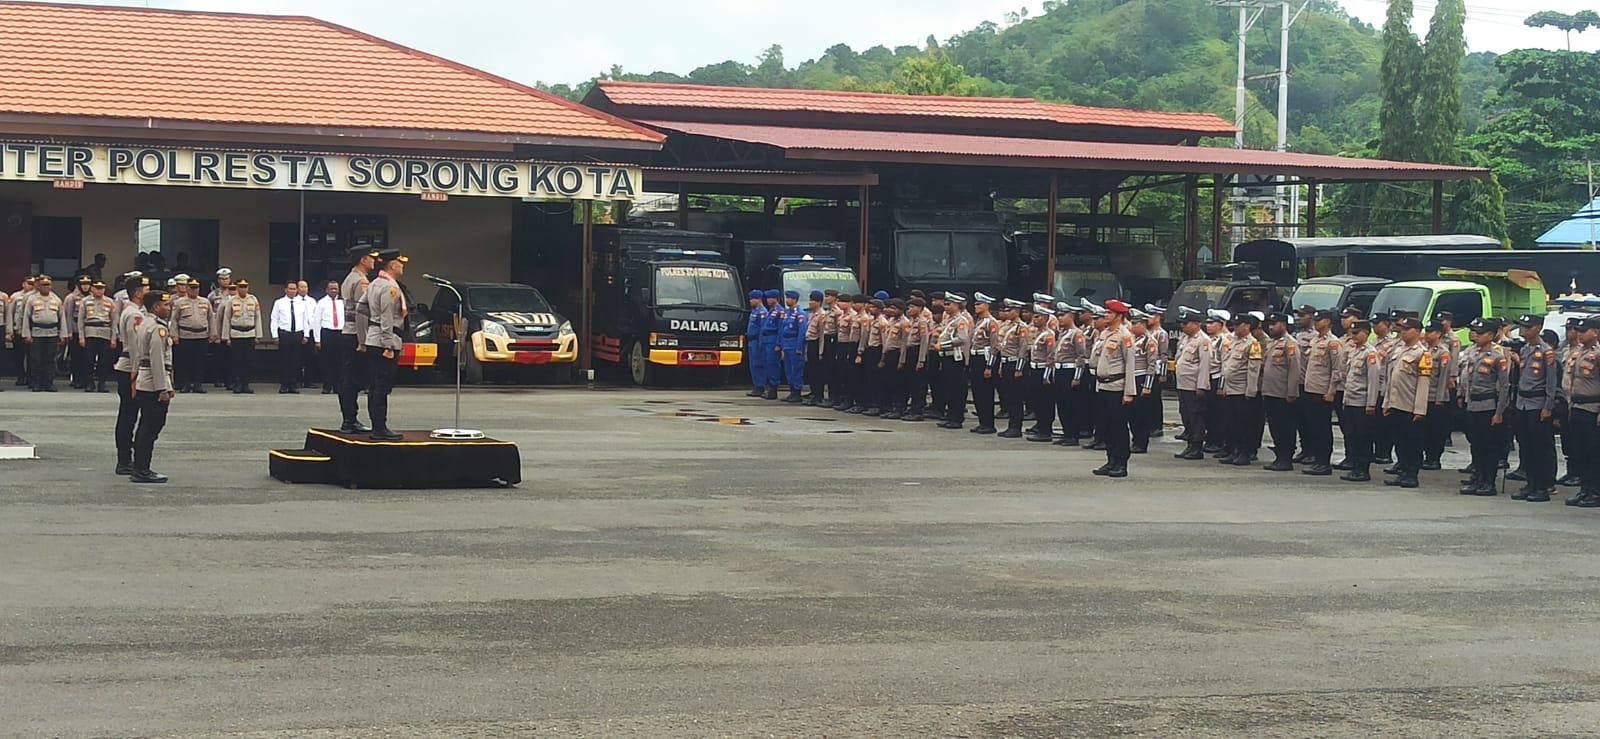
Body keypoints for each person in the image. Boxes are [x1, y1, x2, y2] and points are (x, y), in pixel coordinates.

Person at [1456, 318, 1512, 496]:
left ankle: (1489, 482)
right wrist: (1463, 397)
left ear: (1490, 335)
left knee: (1489, 447)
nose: (1476, 336)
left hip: (1488, 406)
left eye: (1480, 333)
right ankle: (1478, 479)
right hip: (1473, 404)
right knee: (1477, 445)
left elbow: (1504, 387)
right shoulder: (1473, 355)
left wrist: (1499, 412)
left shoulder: (1497, 358)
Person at [1509, 315, 1558, 500]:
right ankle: (1530, 483)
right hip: (1522, 403)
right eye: (1522, 326)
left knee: (1540, 447)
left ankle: (1542, 486)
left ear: (1537, 329)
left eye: (1527, 327)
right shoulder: (1525, 349)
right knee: (1526, 445)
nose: (1523, 330)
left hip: (1538, 403)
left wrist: (1548, 406)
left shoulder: (1546, 352)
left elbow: (1551, 382)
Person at [362, 252, 410, 441]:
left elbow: (361, 307)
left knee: (375, 385)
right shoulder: (390, 287)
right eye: (400, 263)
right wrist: (388, 345)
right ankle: (379, 428)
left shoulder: (374, 283)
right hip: (385, 341)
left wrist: (373, 322)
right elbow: (387, 316)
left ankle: (376, 425)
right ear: (392, 266)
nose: (402, 267)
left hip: (373, 339)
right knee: (382, 385)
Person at [129, 290, 175, 484]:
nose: (168, 308)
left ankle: (139, 466)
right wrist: (162, 388)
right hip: (153, 383)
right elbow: (157, 360)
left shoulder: (145, 323)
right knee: (151, 427)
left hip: (146, 380)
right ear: (156, 307)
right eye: (165, 305)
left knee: (146, 426)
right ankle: (142, 469)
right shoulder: (156, 328)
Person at [1383, 317, 1433, 489]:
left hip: (1410, 405)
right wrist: (1387, 403)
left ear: (1417, 332)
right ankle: (1403, 471)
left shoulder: (1422, 353)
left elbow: (1423, 383)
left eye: (1407, 329)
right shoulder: (1399, 350)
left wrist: (1420, 410)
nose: (1403, 332)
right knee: (1400, 442)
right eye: (1402, 329)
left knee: (1413, 442)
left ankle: (1412, 474)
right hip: (1396, 404)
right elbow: (1391, 379)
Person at [1090, 299, 1136, 478]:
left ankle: (1121, 463)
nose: (1105, 315)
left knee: (1118, 427)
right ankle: (1111, 460)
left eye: (1109, 313)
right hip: (1103, 385)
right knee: (1106, 426)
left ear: (1119, 316)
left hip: (1117, 387)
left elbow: (1130, 364)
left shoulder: (1125, 336)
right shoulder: (1105, 333)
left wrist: (1129, 392)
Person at [112, 275, 150, 475]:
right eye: (146, 289)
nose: (148, 292)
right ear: (137, 293)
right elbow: (135, 347)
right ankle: (124, 459)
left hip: (132, 367)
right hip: (129, 368)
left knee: (131, 414)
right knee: (128, 415)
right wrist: (136, 374)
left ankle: (129, 457)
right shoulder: (133, 314)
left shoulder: (139, 312)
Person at [1562, 317, 1600, 508]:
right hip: (1576, 406)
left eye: (1584, 331)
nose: (1580, 334)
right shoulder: (1577, 353)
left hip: (1593, 408)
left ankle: (1595, 491)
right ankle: (1585, 489)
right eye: (1579, 331)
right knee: (1580, 451)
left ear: (1596, 332)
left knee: (1594, 452)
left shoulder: (1598, 354)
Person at [1218, 312, 1264, 466]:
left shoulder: (1253, 344)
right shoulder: (1233, 342)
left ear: (1247, 326)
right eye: (1234, 325)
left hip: (1242, 390)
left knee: (1245, 424)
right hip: (1230, 389)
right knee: (1232, 423)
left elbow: (1253, 369)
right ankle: (1235, 450)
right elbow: (1226, 365)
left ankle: (1245, 452)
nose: (1235, 328)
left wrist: (1251, 391)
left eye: (1238, 325)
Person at [1300, 310, 1343, 476]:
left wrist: (1331, 391)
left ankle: (1324, 462)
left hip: (1323, 392)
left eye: (1319, 320)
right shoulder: (1315, 341)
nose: (1316, 323)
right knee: (1313, 428)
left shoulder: (1333, 343)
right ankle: (1317, 460)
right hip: (1310, 389)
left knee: (1323, 428)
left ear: (1328, 322)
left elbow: (1337, 370)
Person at [339, 249, 377, 432]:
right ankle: (350, 420)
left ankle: (349, 418)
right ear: (363, 260)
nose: (373, 261)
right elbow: (361, 312)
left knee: (349, 377)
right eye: (371, 258)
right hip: (356, 333)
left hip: (349, 331)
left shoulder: (349, 278)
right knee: (352, 379)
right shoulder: (361, 280)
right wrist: (363, 341)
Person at [1338, 320, 1381, 482]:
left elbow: (1373, 380)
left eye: (1356, 333)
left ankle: (1363, 469)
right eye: (1352, 333)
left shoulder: (1370, 353)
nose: (1353, 336)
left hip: (1362, 403)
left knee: (1363, 437)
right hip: (1350, 400)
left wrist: (1371, 403)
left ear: (1366, 333)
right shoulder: (1354, 351)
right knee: (1353, 435)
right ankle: (1355, 467)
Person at [1259, 313, 1303, 471]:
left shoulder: (1290, 344)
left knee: (1286, 427)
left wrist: (1292, 392)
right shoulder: (1272, 343)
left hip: (1283, 393)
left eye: (1274, 324)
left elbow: (1294, 369)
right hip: (1270, 392)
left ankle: (1286, 458)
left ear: (1283, 325)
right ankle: (1279, 456)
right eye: (1270, 324)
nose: (1271, 327)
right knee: (1275, 427)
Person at [1173, 307, 1213, 460]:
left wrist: (1201, 386)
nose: (1182, 326)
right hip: (1183, 384)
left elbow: (1205, 365)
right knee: (1186, 415)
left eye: (1186, 323)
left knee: (1196, 416)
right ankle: (1190, 444)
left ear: (1196, 324)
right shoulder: (1186, 338)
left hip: (1193, 385)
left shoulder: (1203, 340)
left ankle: (1196, 447)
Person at [1420, 322, 1455, 470]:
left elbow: (1444, 378)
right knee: (1423, 430)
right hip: (1424, 396)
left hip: (1436, 397)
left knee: (1435, 430)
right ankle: (1425, 457)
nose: (1427, 334)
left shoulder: (1443, 352)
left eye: (1431, 332)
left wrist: (1440, 398)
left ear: (1438, 334)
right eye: (1426, 331)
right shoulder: (1424, 349)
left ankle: (1433, 458)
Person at [19, 276, 63, 392]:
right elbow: (26, 318)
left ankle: (49, 383)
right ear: (38, 286)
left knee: (50, 360)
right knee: (36, 359)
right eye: (43, 285)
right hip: (37, 333)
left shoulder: (56, 299)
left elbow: (62, 318)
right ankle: (36, 383)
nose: (46, 287)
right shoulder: (32, 299)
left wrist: (62, 335)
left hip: (52, 333)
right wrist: (27, 334)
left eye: (48, 285)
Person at [935, 294, 971, 429]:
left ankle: (956, 418)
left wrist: (942, 346)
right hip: (946, 357)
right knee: (948, 388)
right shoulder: (948, 320)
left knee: (956, 389)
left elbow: (962, 338)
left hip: (955, 357)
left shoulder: (961, 320)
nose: (946, 307)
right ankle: (950, 416)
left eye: (949, 304)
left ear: (956, 306)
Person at [221, 280, 265, 393]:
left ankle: (246, 384)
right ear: (237, 288)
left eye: (245, 286)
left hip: (250, 333)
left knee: (248, 361)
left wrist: (258, 335)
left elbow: (257, 317)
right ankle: (237, 383)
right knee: (236, 361)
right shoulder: (231, 301)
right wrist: (226, 337)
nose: (243, 289)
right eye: (241, 286)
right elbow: (227, 318)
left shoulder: (253, 299)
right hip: (236, 334)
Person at [170, 276, 212, 393]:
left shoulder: (205, 302)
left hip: (202, 335)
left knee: (200, 362)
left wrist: (213, 334)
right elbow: (174, 320)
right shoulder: (179, 302)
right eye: (192, 288)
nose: (194, 290)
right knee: (184, 362)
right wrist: (174, 335)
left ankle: (198, 384)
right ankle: (185, 384)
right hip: (185, 335)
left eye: (196, 288)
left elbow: (211, 319)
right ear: (187, 288)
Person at [77, 280, 116, 393]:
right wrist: (81, 337)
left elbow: (114, 321)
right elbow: (80, 320)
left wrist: (113, 338)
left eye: (101, 288)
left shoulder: (110, 302)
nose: (99, 291)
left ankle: (102, 383)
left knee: (104, 360)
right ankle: (90, 383)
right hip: (90, 332)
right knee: (89, 360)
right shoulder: (85, 301)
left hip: (105, 332)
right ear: (92, 289)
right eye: (97, 288)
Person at [312, 281, 344, 394]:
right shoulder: (321, 303)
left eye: (336, 289)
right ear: (327, 290)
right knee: (327, 361)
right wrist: (317, 339)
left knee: (339, 361)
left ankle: (337, 386)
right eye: (331, 289)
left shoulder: (342, 303)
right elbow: (317, 322)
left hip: (340, 333)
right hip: (327, 333)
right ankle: (327, 385)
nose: (334, 291)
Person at [778, 290, 807, 403]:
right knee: (788, 370)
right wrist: (781, 346)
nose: (787, 300)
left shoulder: (800, 314)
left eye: (789, 298)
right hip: (787, 344)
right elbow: (782, 330)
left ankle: (797, 392)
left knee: (796, 369)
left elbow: (801, 332)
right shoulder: (787, 313)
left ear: (794, 300)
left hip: (795, 344)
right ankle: (792, 391)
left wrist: (799, 347)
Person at [207, 267, 234, 388]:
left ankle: (230, 380)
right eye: (222, 279)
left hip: (231, 329)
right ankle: (217, 379)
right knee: (218, 356)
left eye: (227, 278)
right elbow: (209, 314)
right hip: (218, 327)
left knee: (231, 357)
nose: (224, 281)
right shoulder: (213, 295)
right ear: (218, 280)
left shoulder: (234, 292)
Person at [62, 276, 91, 388]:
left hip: (87, 330)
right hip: (74, 330)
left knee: (87, 357)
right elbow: (68, 315)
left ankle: (86, 379)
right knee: (76, 356)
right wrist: (68, 331)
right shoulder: (72, 298)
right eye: (83, 284)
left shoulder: (91, 297)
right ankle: (76, 378)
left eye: (87, 284)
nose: (85, 286)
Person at [759, 289, 784, 400]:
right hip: (766, 339)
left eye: (770, 298)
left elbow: (781, 329)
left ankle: (773, 388)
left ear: (776, 299)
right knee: (767, 364)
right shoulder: (770, 311)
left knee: (773, 364)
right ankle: (768, 387)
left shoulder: (780, 311)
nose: (768, 300)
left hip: (773, 339)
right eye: (767, 298)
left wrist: (778, 344)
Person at [744, 289, 766, 397]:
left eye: (753, 299)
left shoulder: (762, 312)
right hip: (751, 341)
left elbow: (762, 329)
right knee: (753, 365)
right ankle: (756, 385)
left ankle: (760, 386)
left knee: (758, 364)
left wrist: (761, 343)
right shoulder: (754, 311)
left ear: (758, 299)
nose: (750, 301)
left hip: (757, 341)